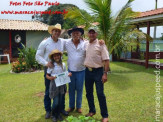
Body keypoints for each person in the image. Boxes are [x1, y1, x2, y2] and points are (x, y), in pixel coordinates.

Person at [35, 23, 68, 119]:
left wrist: (84, 40)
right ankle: (48, 111)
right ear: (51, 31)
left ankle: (61, 109)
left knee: (62, 90)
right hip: (49, 68)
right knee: (48, 90)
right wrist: (46, 63)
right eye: (55, 30)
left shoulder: (62, 41)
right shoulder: (45, 42)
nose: (57, 32)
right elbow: (38, 56)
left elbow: (72, 40)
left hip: (61, 68)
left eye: (58, 31)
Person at [84, 27, 109, 122]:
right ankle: (92, 111)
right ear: (87, 34)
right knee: (88, 93)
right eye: (90, 33)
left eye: (93, 33)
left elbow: (106, 60)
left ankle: (105, 115)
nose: (91, 34)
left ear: (96, 34)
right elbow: (74, 39)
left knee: (100, 93)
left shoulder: (101, 44)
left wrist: (105, 74)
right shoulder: (86, 44)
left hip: (98, 72)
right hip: (88, 71)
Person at [46, 49, 72, 122]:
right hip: (54, 85)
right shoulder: (51, 65)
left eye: (58, 55)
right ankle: (53, 115)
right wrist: (51, 78)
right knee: (56, 101)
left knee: (60, 101)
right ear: (53, 57)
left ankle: (58, 114)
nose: (56, 57)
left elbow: (65, 73)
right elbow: (47, 76)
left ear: (60, 56)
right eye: (55, 56)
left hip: (62, 84)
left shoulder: (63, 64)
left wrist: (68, 74)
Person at [64, 27, 86, 113]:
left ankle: (79, 106)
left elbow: (93, 43)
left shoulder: (85, 43)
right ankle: (71, 106)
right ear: (71, 35)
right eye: (74, 33)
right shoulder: (66, 43)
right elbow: (57, 40)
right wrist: (47, 39)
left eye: (77, 33)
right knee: (71, 89)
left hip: (81, 70)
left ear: (81, 34)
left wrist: (100, 41)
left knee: (80, 89)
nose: (75, 34)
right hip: (71, 70)